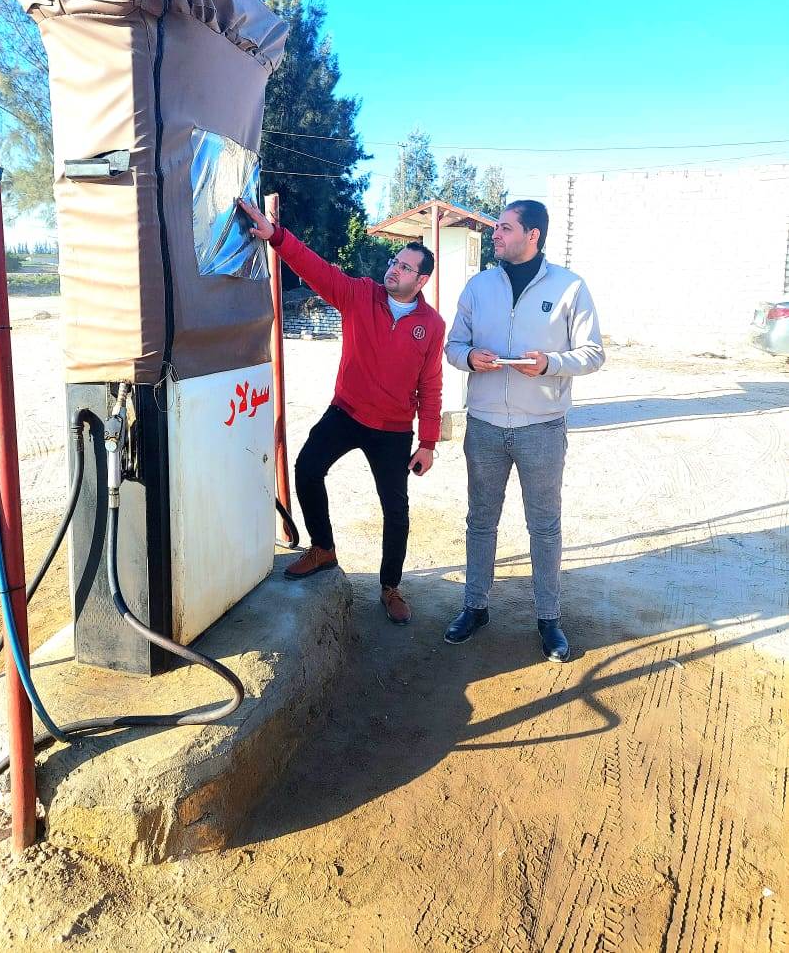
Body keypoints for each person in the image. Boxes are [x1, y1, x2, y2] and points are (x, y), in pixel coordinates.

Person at [237, 198, 444, 625]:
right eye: (394, 261)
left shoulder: (432, 325)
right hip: (346, 412)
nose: (394, 269)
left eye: (405, 268)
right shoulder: (360, 295)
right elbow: (317, 269)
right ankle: (323, 548)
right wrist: (276, 236)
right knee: (307, 468)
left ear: (421, 280)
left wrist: (427, 442)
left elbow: (431, 385)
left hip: (393, 429)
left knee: (396, 511)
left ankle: (390, 587)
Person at [443, 200, 604, 661]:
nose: (495, 234)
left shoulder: (570, 287)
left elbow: (593, 353)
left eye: (505, 228)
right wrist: (469, 358)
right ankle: (475, 607)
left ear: (533, 235)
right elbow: (454, 345)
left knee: (545, 526)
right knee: (480, 521)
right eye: (496, 228)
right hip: (485, 426)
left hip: (542, 429)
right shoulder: (479, 286)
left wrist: (550, 363)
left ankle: (549, 620)